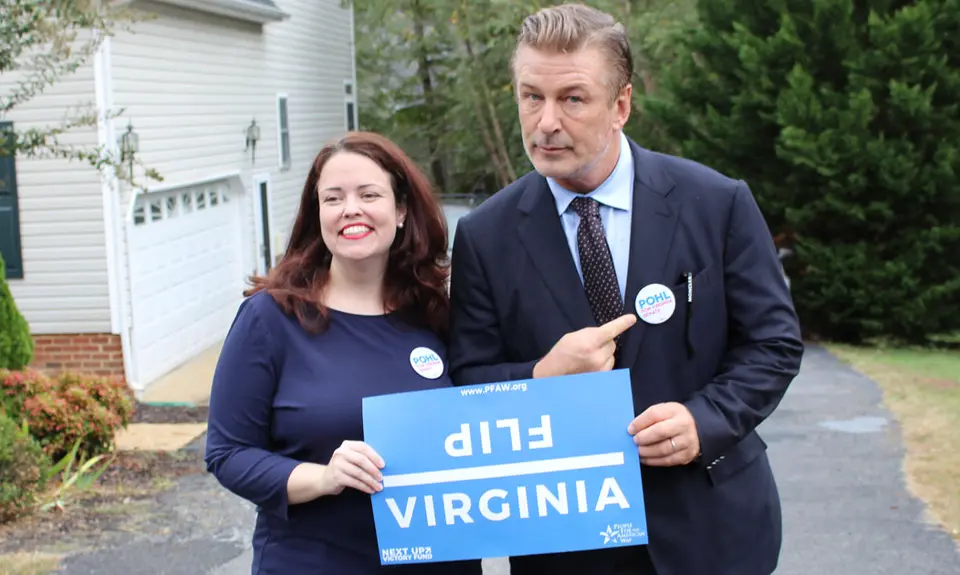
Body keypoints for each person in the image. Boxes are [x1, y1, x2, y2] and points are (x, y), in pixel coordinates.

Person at [447, 4, 804, 575]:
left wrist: (703, 421)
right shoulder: (484, 235)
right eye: (531, 96)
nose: (545, 122)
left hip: (713, 530)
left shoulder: (716, 203)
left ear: (621, 105)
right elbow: (466, 381)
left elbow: (774, 344)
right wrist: (540, 377)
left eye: (572, 98)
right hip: (568, 544)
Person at [204, 131, 483, 575]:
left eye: (368, 194)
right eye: (332, 198)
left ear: (401, 210)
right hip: (313, 561)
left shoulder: (439, 314)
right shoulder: (270, 319)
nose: (350, 208)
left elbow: (494, 415)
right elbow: (227, 452)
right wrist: (324, 477)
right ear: (318, 216)